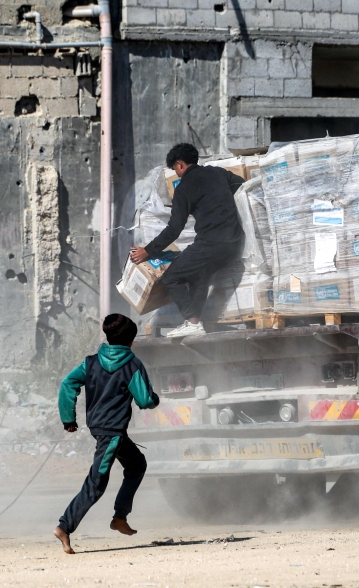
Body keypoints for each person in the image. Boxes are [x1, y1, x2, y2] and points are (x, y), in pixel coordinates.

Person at [52, 314, 159, 555]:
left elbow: (68, 384)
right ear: (130, 340)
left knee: (136, 464)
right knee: (97, 482)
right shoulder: (132, 365)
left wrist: (68, 418)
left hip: (104, 430)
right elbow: (144, 400)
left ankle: (120, 517)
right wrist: (154, 399)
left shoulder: (91, 362)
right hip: (112, 434)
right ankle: (64, 526)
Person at [129, 143, 245, 337]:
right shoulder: (218, 173)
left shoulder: (184, 188)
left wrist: (147, 251)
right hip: (234, 243)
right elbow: (241, 184)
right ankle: (196, 322)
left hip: (211, 244)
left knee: (171, 277)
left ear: (180, 164)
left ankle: (192, 322)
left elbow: (174, 229)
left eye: (175, 169)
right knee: (200, 274)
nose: (177, 173)